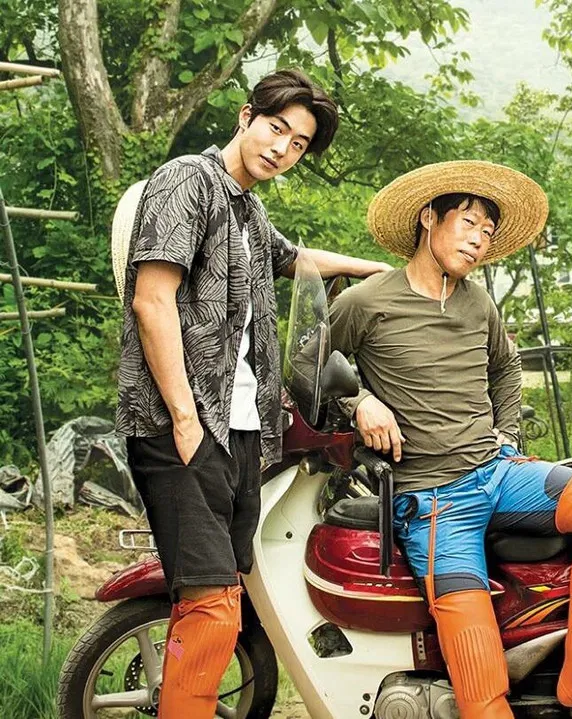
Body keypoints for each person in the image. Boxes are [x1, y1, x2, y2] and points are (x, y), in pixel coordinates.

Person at [328, 160, 572, 719]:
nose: (479, 240)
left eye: (487, 231)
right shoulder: (365, 302)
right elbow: (308, 368)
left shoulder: (477, 301)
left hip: (498, 473)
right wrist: (359, 401)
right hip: (435, 506)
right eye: (468, 223)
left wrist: (506, 434)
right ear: (428, 218)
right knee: (483, 698)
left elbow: (506, 368)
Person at [114, 68, 392, 717]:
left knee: (219, 599)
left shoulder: (248, 208)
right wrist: (185, 418)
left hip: (242, 432)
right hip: (183, 425)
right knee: (211, 605)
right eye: (276, 128)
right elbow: (152, 301)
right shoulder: (188, 180)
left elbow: (293, 259)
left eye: (298, 143)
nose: (282, 148)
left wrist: (376, 271)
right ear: (246, 117)